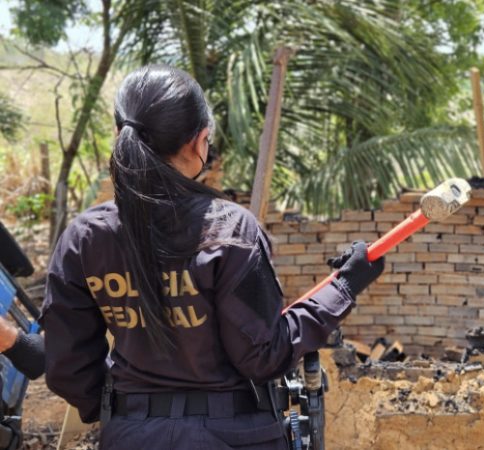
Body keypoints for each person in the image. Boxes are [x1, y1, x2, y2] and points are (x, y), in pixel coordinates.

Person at [42, 65, 384, 450]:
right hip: (235, 437)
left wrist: (128, 413)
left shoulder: (84, 238)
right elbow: (264, 356)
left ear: (120, 135)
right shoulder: (230, 230)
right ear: (200, 141)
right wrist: (344, 287)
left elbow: (68, 367)